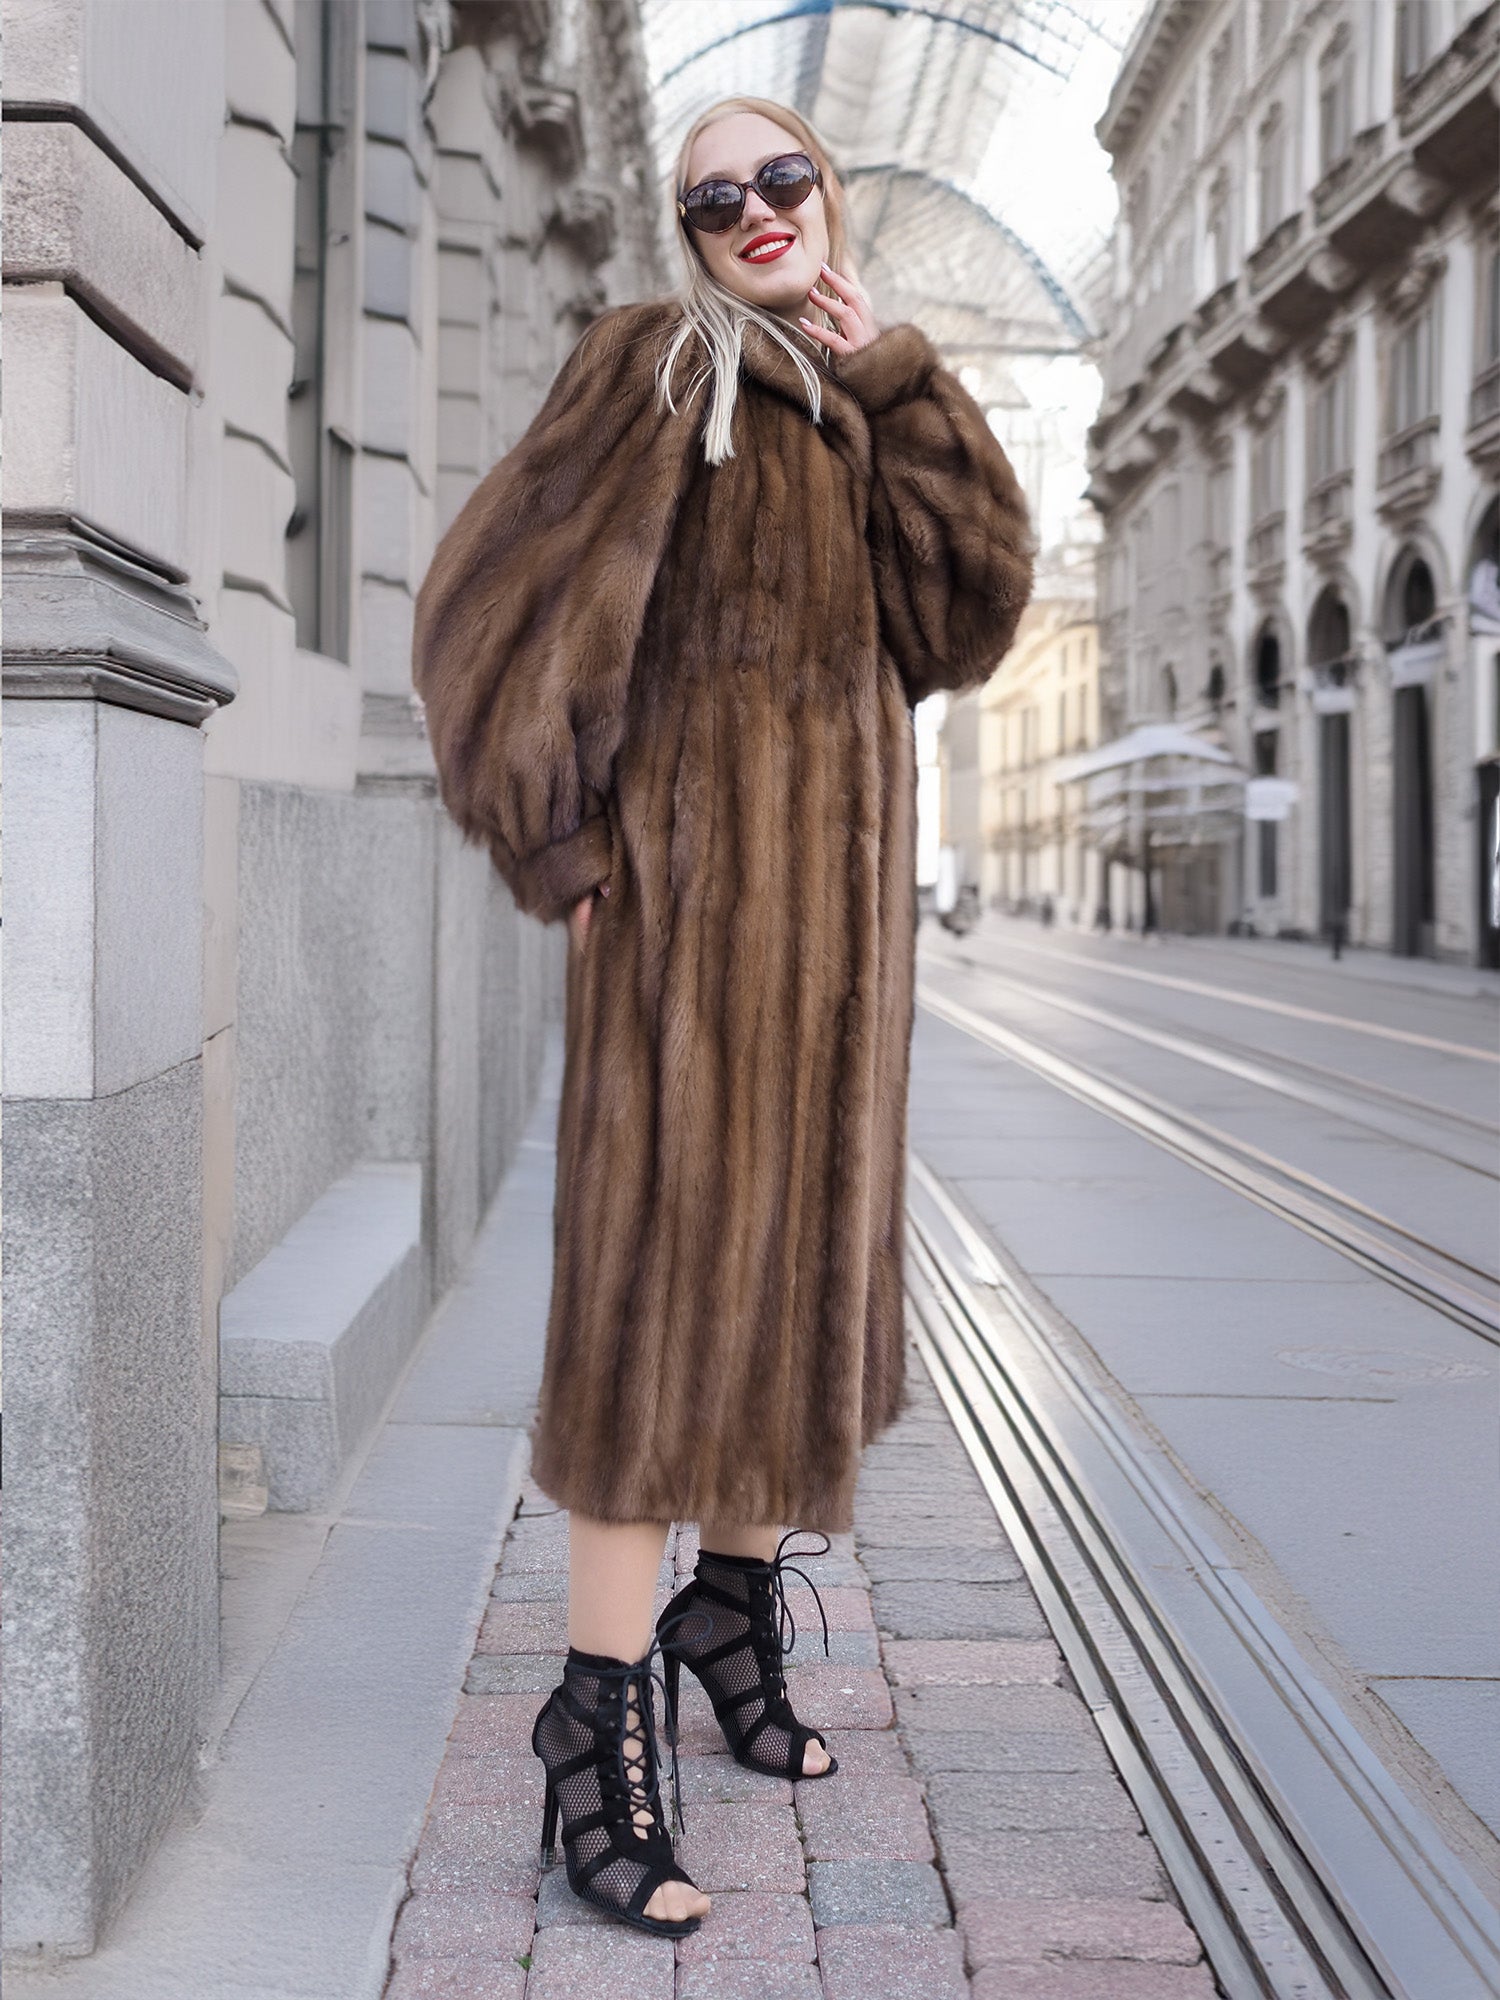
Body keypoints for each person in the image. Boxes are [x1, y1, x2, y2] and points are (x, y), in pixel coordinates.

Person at [412, 94, 1035, 1938]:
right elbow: (476, 615)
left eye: (783, 182)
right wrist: (569, 847)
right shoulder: (651, 370)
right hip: (688, 959)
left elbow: (974, 614)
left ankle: (729, 1615)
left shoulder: (858, 403)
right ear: (682, 231)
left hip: (837, 977)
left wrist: (906, 383)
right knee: (646, 1329)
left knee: (786, 1299)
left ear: (830, 196)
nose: (754, 213)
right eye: (715, 198)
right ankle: (591, 1716)